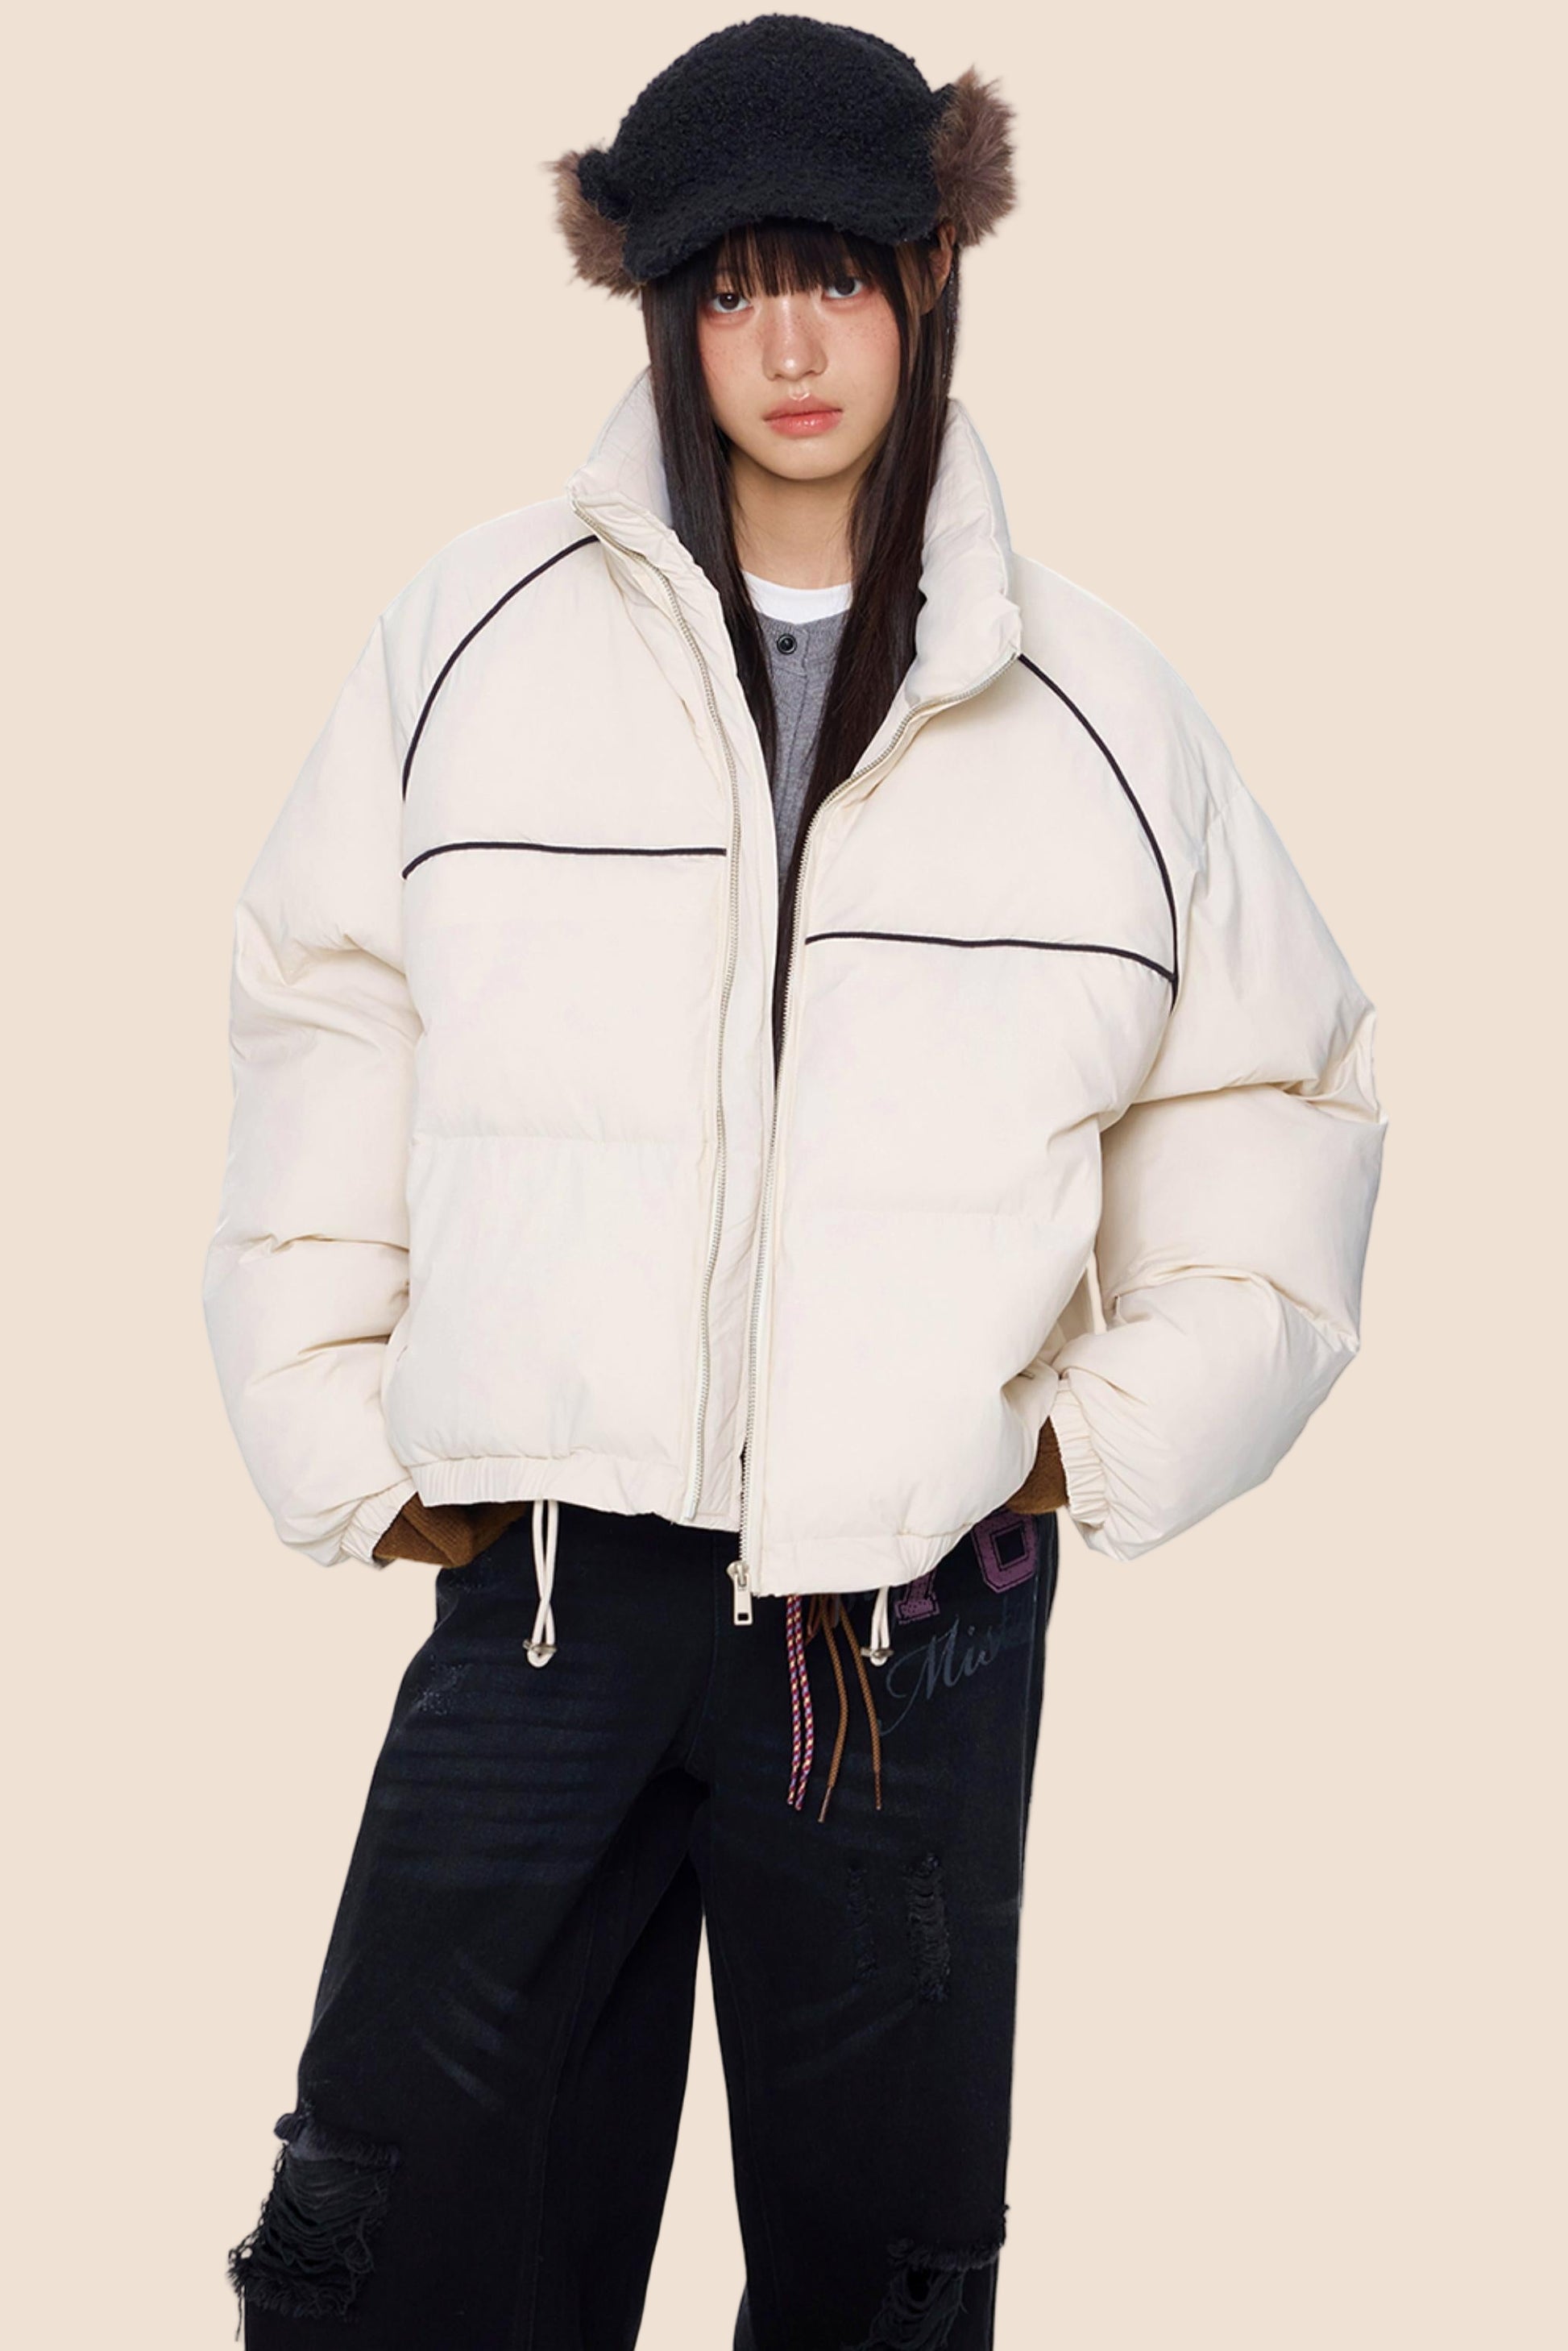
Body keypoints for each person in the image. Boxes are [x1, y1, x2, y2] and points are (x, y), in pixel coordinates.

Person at [202, 18, 1386, 2349]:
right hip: (547, 1579)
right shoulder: (473, 643)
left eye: (834, 272)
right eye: (731, 286)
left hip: (907, 1612)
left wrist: (1087, 1445)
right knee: (396, 2231)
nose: (788, 343)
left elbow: (1277, 1094)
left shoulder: (1094, 708)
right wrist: (333, 1425)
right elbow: (327, 1007)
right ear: (661, 303)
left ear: (926, 273)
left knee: (876, 2263)